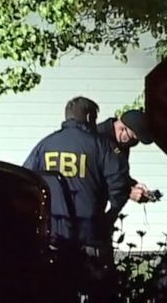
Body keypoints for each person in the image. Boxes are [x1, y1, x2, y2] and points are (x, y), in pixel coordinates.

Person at [23, 97, 130, 256]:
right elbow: (119, 184)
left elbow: (26, 180)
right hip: (89, 238)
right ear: (89, 118)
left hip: (53, 238)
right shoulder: (103, 146)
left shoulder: (45, 145)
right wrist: (111, 215)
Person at [96, 109, 155, 203]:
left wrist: (133, 185)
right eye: (133, 139)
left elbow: (117, 174)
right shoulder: (97, 139)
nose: (134, 144)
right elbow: (94, 180)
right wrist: (128, 192)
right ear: (122, 129)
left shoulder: (122, 143)